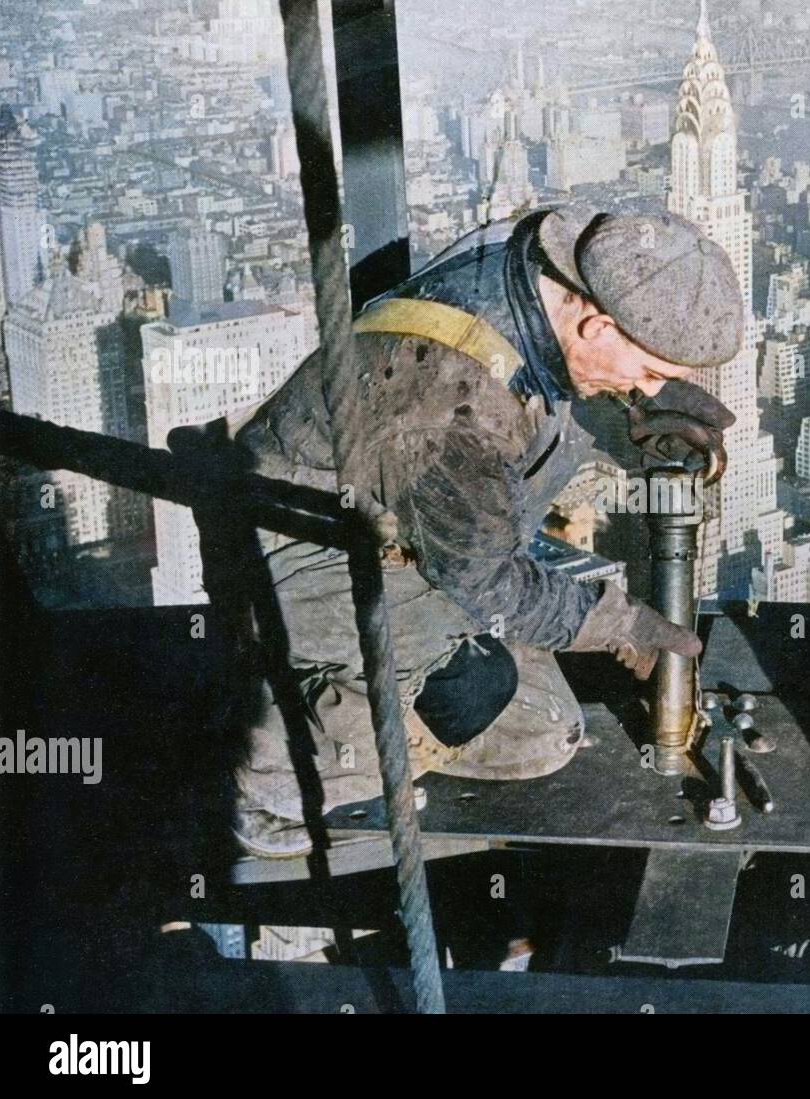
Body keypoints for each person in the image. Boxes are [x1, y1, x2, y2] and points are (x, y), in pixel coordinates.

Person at [224, 204, 744, 857]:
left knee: (540, 724)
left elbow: (537, 401)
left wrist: (635, 426)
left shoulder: (541, 277)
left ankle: (380, 690)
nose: (650, 388)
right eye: (649, 372)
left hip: (397, 523)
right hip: (302, 560)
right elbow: (487, 579)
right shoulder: (449, 394)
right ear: (597, 324)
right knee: (512, 712)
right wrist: (619, 625)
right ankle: (273, 770)